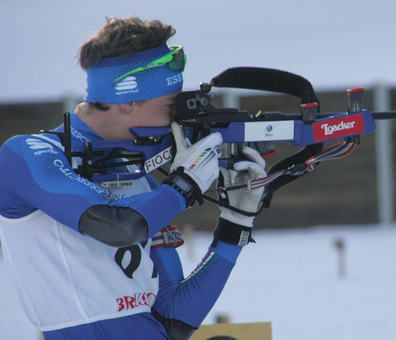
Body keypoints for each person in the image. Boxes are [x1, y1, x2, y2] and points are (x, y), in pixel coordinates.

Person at [0, 16, 267, 340]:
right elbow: (120, 225)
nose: (175, 117)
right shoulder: (26, 154)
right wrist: (185, 184)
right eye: (170, 104)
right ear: (128, 102)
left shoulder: (141, 181)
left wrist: (235, 224)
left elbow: (174, 322)